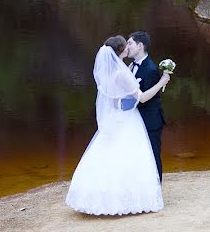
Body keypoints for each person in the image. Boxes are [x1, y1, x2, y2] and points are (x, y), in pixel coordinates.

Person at [65, 35, 169, 215]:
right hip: (128, 119)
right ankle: (129, 197)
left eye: (131, 43)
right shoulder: (122, 72)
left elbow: (114, 100)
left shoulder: (110, 72)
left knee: (111, 154)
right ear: (121, 51)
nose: (128, 48)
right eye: (126, 45)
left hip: (116, 118)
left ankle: (102, 195)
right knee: (130, 157)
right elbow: (142, 97)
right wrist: (162, 82)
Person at [127, 31, 166, 180]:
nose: (127, 47)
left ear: (140, 46)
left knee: (153, 154)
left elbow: (144, 98)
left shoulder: (150, 69)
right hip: (136, 120)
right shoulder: (131, 66)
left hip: (150, 120)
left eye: (130, 43)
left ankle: (156, 189)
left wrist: (162, 82)